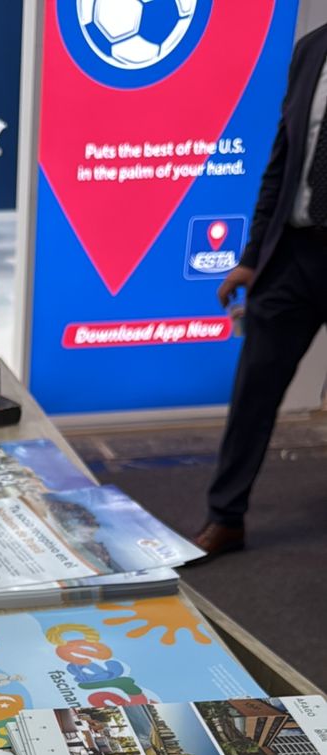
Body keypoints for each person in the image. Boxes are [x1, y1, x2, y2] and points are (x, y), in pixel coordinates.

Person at [197, 23, 327, 559]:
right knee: (255, 387)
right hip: (293, 255)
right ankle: (225, 518)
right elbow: (282, 164)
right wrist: (251, 259)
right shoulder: (312, 50)